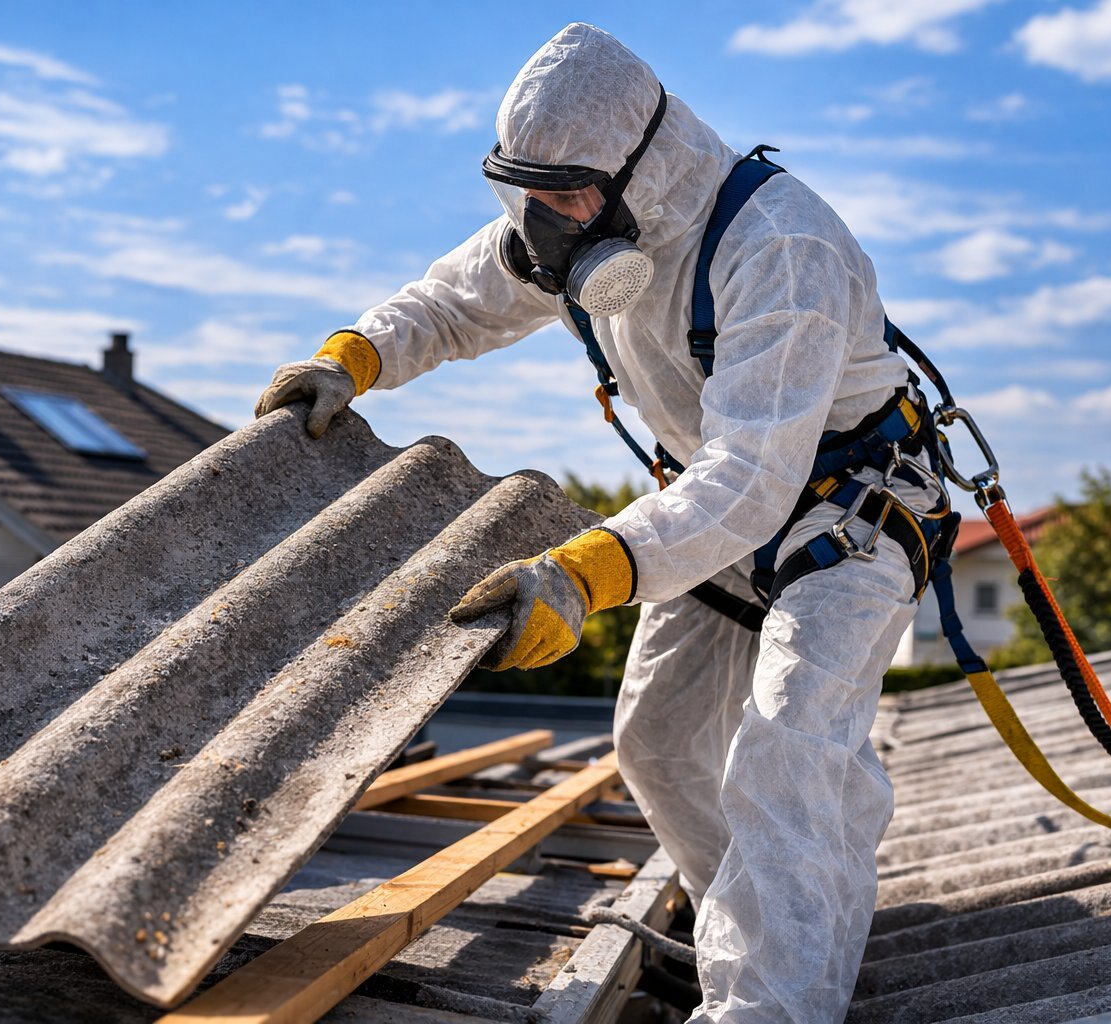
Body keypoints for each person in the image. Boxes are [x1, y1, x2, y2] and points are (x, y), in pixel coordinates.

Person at [255, 22, 946, 1024]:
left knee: (790, 749)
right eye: (524, 193)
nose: (541, 221)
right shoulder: (570, 227)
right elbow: (452, 302)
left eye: (563, 194)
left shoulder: (779, 247)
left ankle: (778, 1006)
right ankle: (755, 947)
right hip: (718, 514)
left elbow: (750, 477)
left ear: (644, 172)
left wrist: (587, 572)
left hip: (854, 514)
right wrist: (356, 356)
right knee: (659, 742)